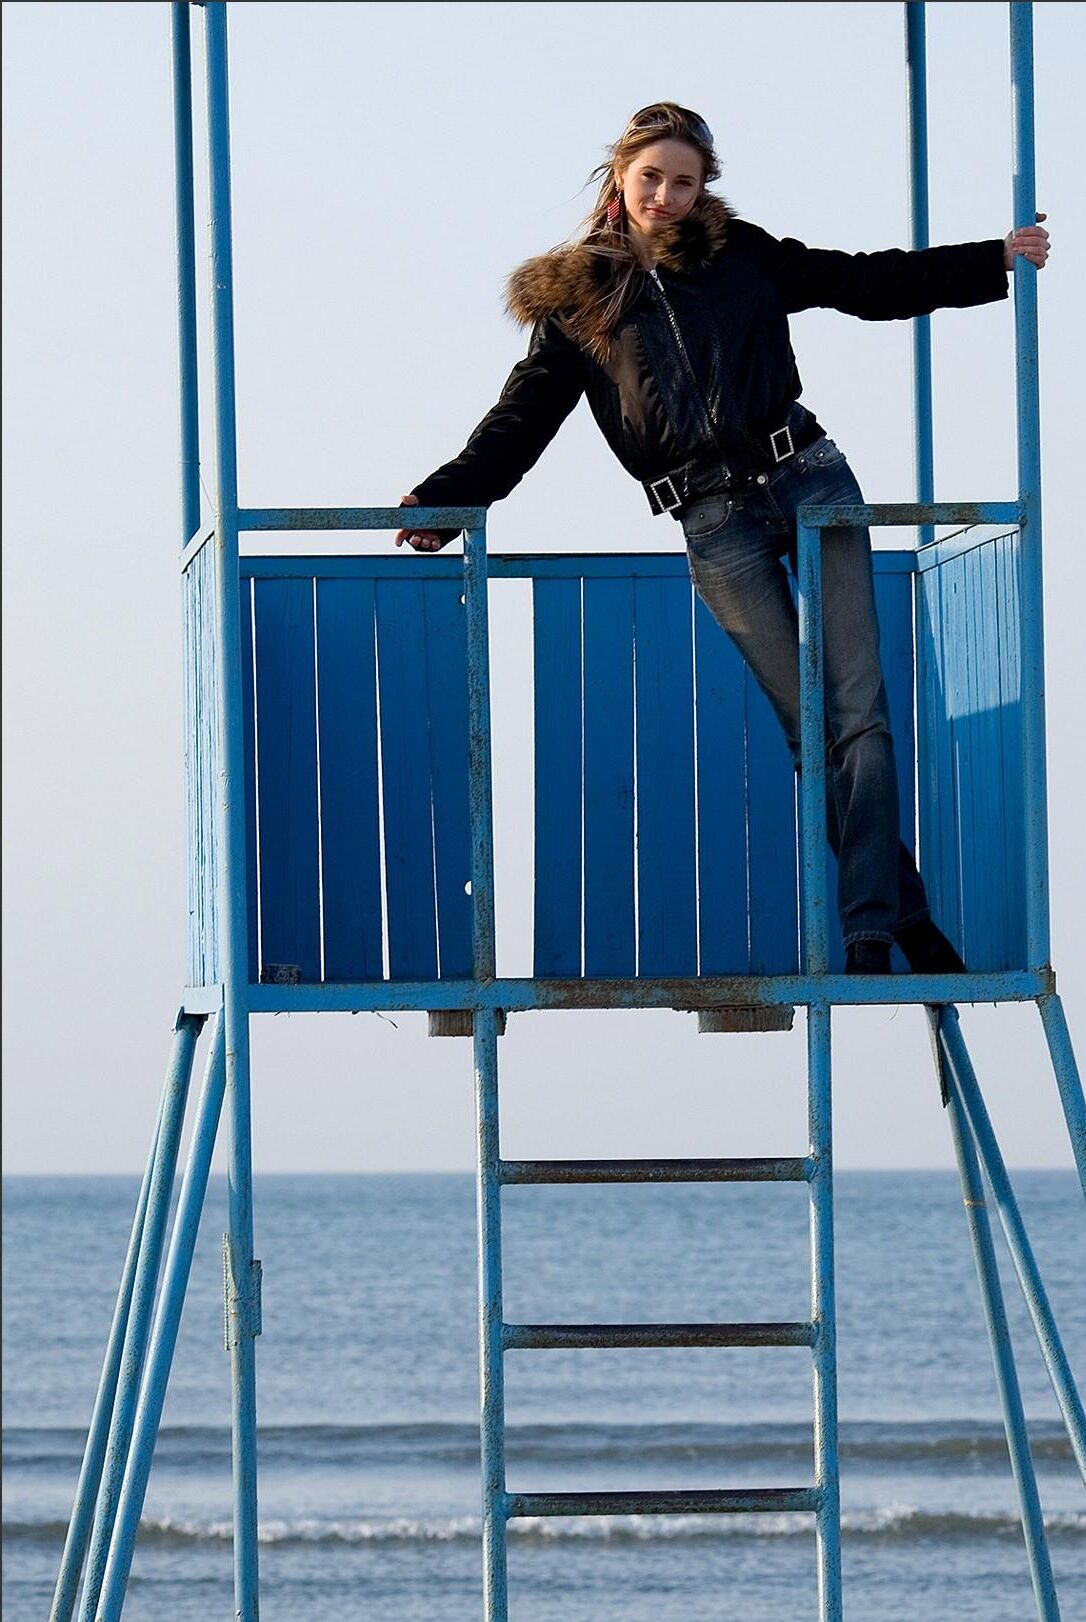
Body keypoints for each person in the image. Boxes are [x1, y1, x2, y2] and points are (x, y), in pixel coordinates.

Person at [398, 102, 1050, 973]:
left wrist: (988, 257)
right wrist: (445, 502)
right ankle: (906, 917)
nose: (665, 196)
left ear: (705, 188)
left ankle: (866, 930)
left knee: (861, 717)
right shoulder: (576, 302)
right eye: (650, 179)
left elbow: (858, 282)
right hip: (711, 520)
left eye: (684, 181)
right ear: (618, 179)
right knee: (808, 725)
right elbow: (519, 422)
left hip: (809, 481)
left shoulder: (739, 257)